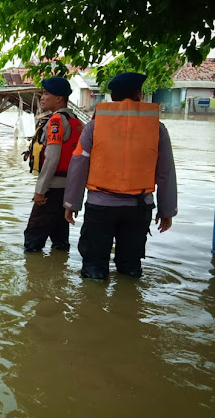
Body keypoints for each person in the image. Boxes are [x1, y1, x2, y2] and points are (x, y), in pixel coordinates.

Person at [63, 72, 178, 280]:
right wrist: (167, 209)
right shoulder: (157, 129)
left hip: (100, 208)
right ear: (139, 94)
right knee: (130, 268)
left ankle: (91, 307)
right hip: (138, 208)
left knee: (94, 268)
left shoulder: (94, 127)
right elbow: (166, 172)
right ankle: (130, 307)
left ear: (112, 97)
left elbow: (78, 164)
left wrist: (71, 203)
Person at [23, 77, 83, 252]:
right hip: (67, 189)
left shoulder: (56, 121)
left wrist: (40, 191)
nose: (42, 97)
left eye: (46, 93)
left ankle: (34, 276)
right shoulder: (75, 120)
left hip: (52, 189)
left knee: (33, 240)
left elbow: (52, 158)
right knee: (60, 239)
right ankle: (59, 274)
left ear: (59, 98)